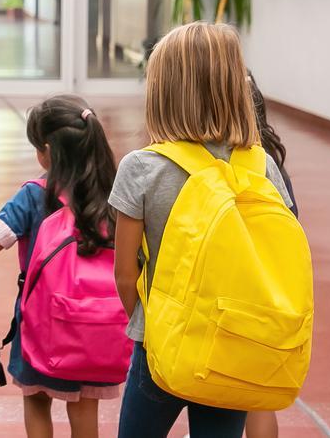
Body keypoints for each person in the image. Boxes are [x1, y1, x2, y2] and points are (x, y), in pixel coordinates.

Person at [111, 23, 296, 438]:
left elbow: (124, 272)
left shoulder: (141, 167)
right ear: (235, 87)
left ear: (162, 91)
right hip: (233, 343)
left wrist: (147, 325)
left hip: (161, 343)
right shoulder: (260, 165)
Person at [0, 95, 121, 438]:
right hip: (97, 325)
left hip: (43, 321)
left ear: (47, 151)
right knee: (84, 408)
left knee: (37, 399)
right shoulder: (109, 194)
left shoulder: (35, 195)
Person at [245, 71, 299, 438]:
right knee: (258, 397)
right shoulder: (273, 166)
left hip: (237, 290)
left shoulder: (233, 164)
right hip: (271, 293)